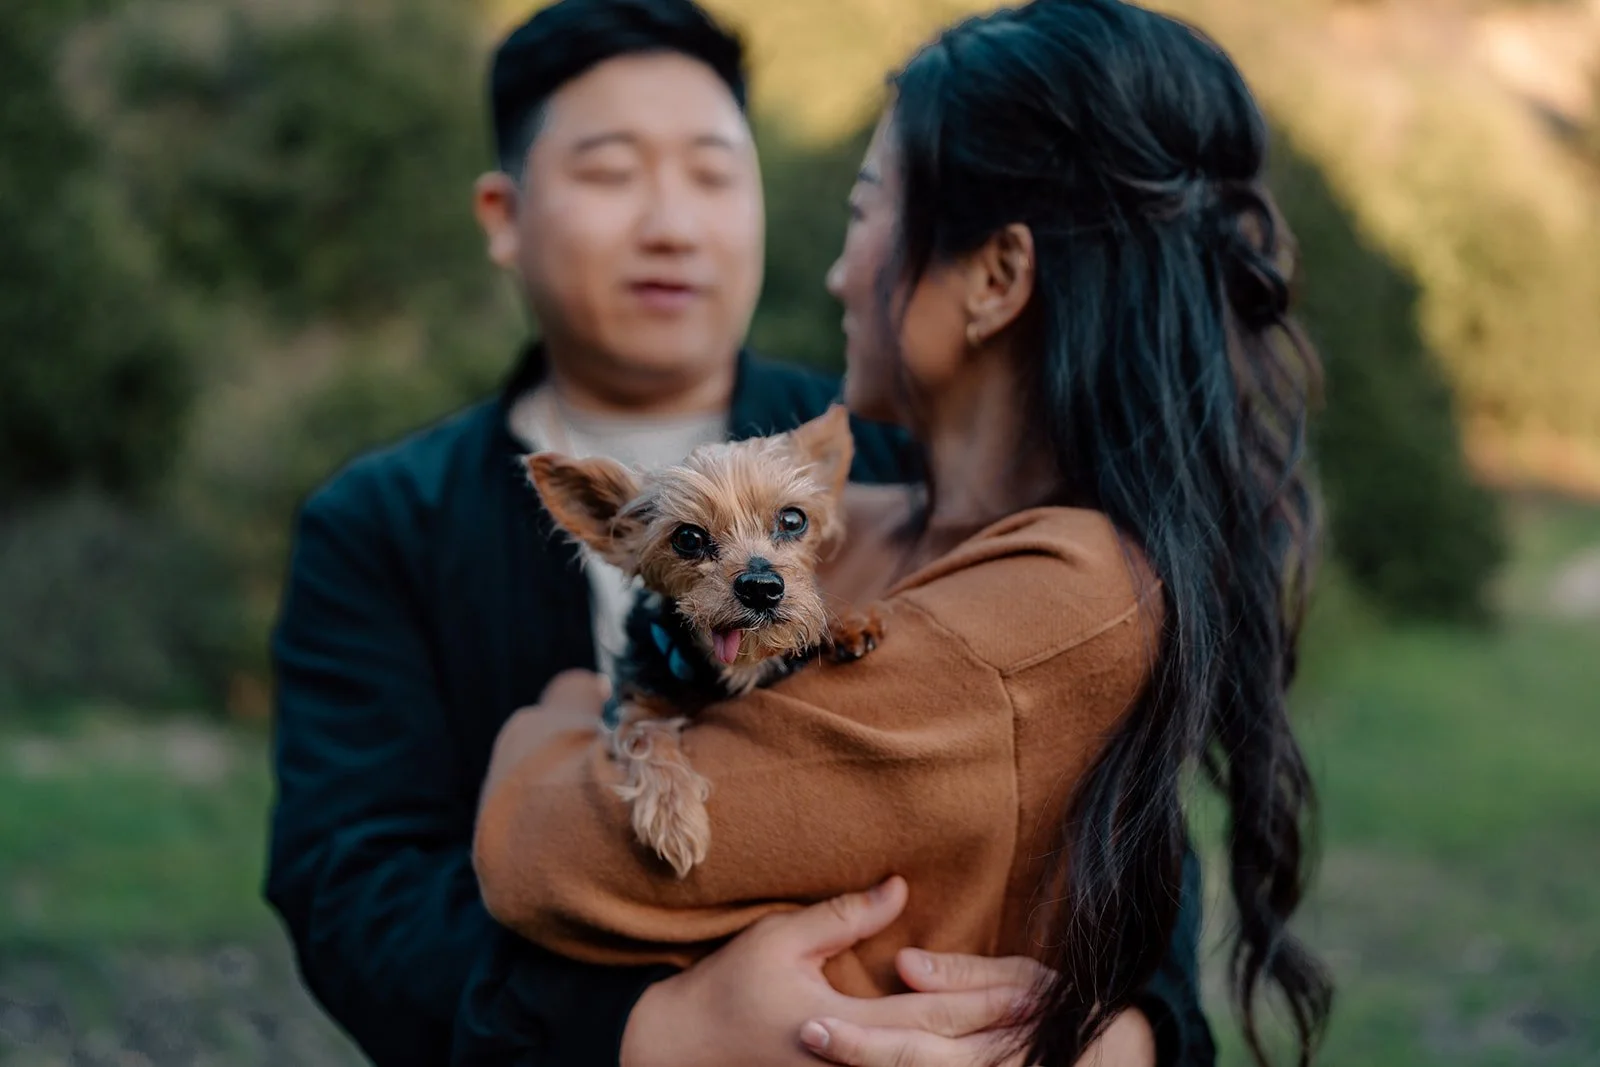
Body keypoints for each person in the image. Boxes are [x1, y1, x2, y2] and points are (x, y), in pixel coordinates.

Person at [264, 1, 1213, 1066]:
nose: (672, 224)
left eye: (715, 173)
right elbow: (352, 880)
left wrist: (1123, 1033)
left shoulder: (900, 458)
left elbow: (1110, 797)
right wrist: (643, 1032)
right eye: (611, 172)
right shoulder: (382, 523)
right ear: (503, 214)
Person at [467, 1, 1336, 1066]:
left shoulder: (1058, 598)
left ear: (996, 277)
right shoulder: (855, 517)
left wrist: (550, 715)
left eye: (864, 209)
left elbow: (555, 854)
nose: (837, 273)